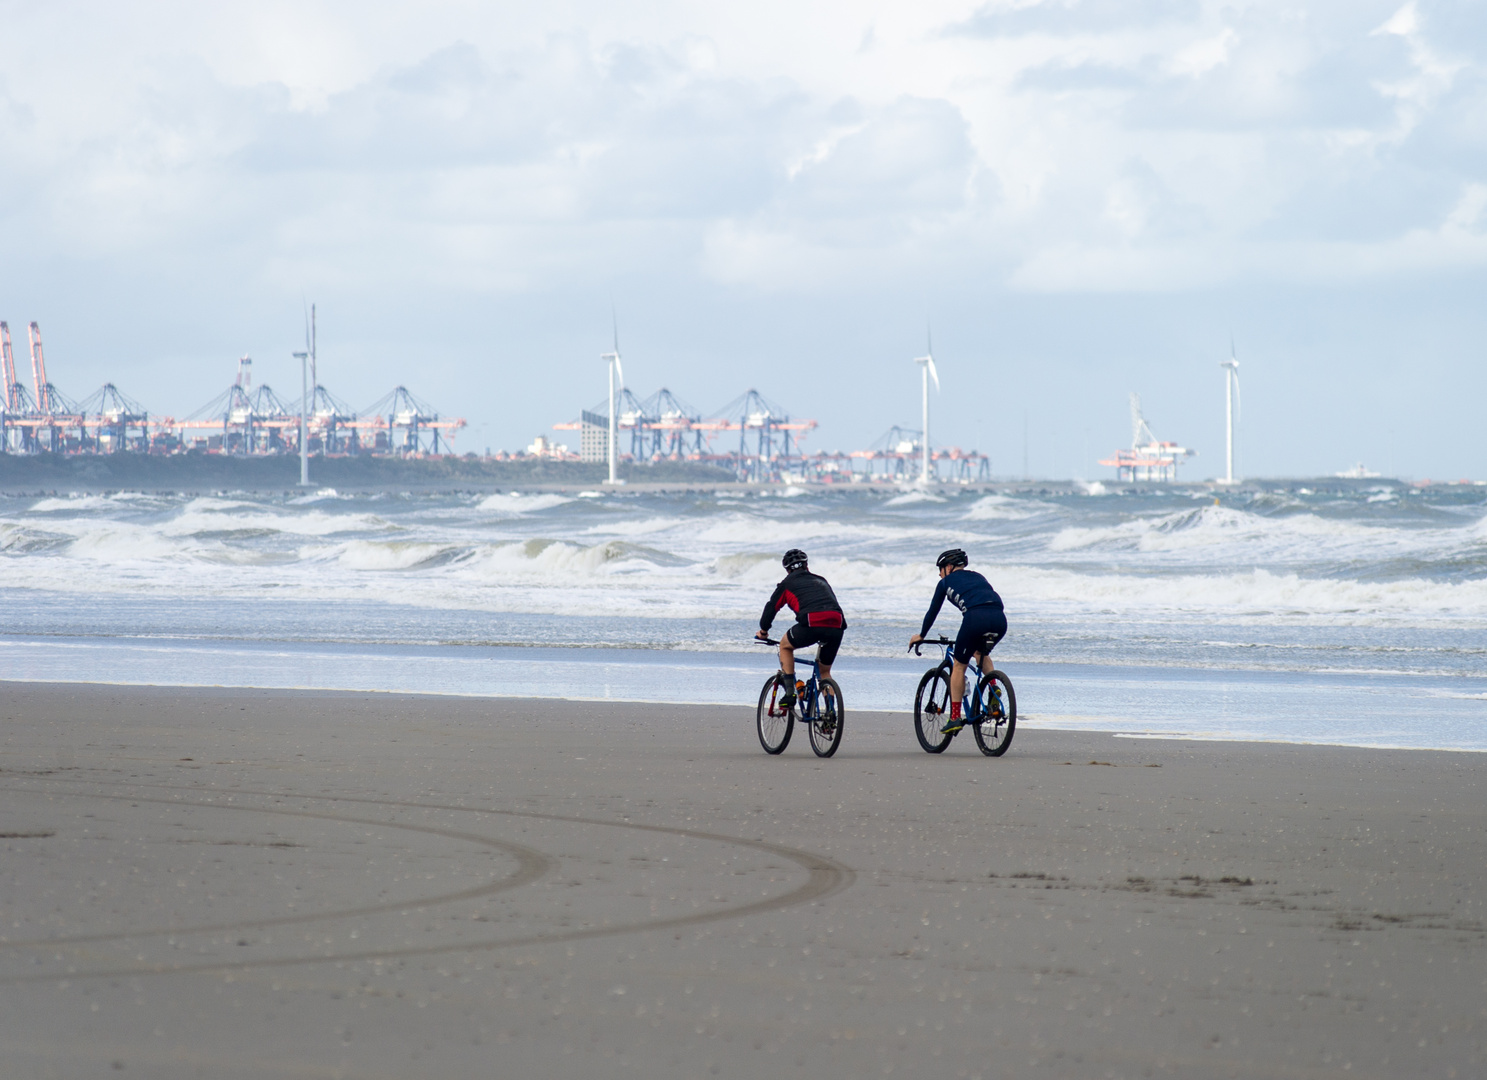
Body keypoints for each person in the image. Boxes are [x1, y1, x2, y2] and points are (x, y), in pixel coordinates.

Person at [908, 548, 1007, 734]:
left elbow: (932, 611)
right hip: (1000, 619)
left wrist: (921, 635)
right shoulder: (979, 576)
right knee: (980, 652)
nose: (939, 573)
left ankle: (954, 717)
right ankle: (994, 689)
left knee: (959, 665)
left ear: (950, 567)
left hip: (975, 619)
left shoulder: (945, 582)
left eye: (941, 568)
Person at [756, 548, 846, 708]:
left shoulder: (787, 584)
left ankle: (790, 693)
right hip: (837, 623)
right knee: (824, 672)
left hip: (812, 622)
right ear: (806, 565)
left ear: (787, 569)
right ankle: (830, 714)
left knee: (785, 646)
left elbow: (771, 608)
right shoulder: (821, 580)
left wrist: (763, 631)